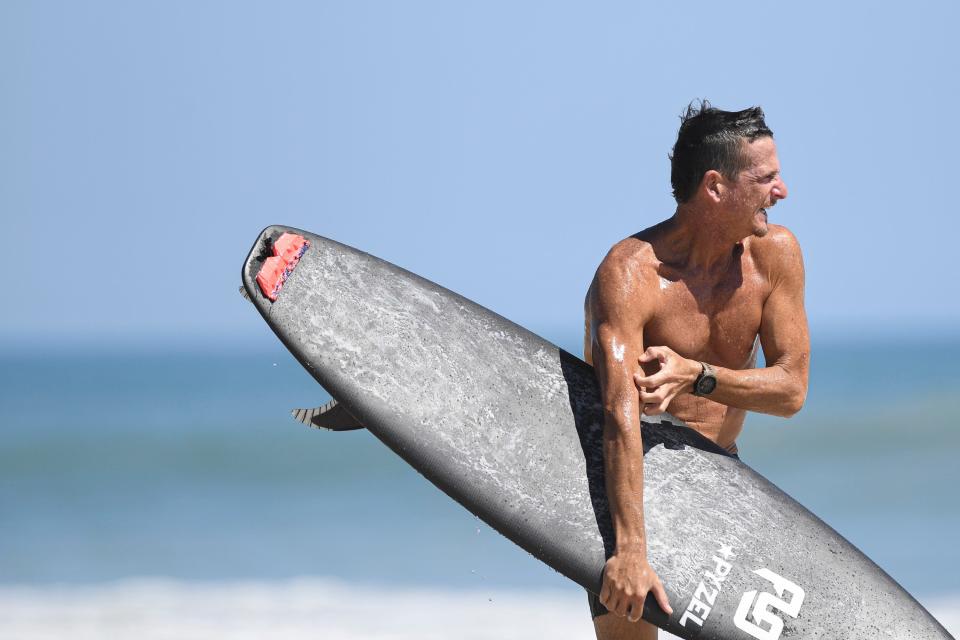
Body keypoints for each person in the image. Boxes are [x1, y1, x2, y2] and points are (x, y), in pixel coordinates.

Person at [582, 101, 810, 640]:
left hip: (721, 474)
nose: (782, 192)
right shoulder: (629, 275)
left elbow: (791, 390)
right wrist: (630, 550)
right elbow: (618, 415)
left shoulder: (775, 255)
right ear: (715, 186)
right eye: (766, 178)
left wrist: (698, 376)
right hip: (627, 478)